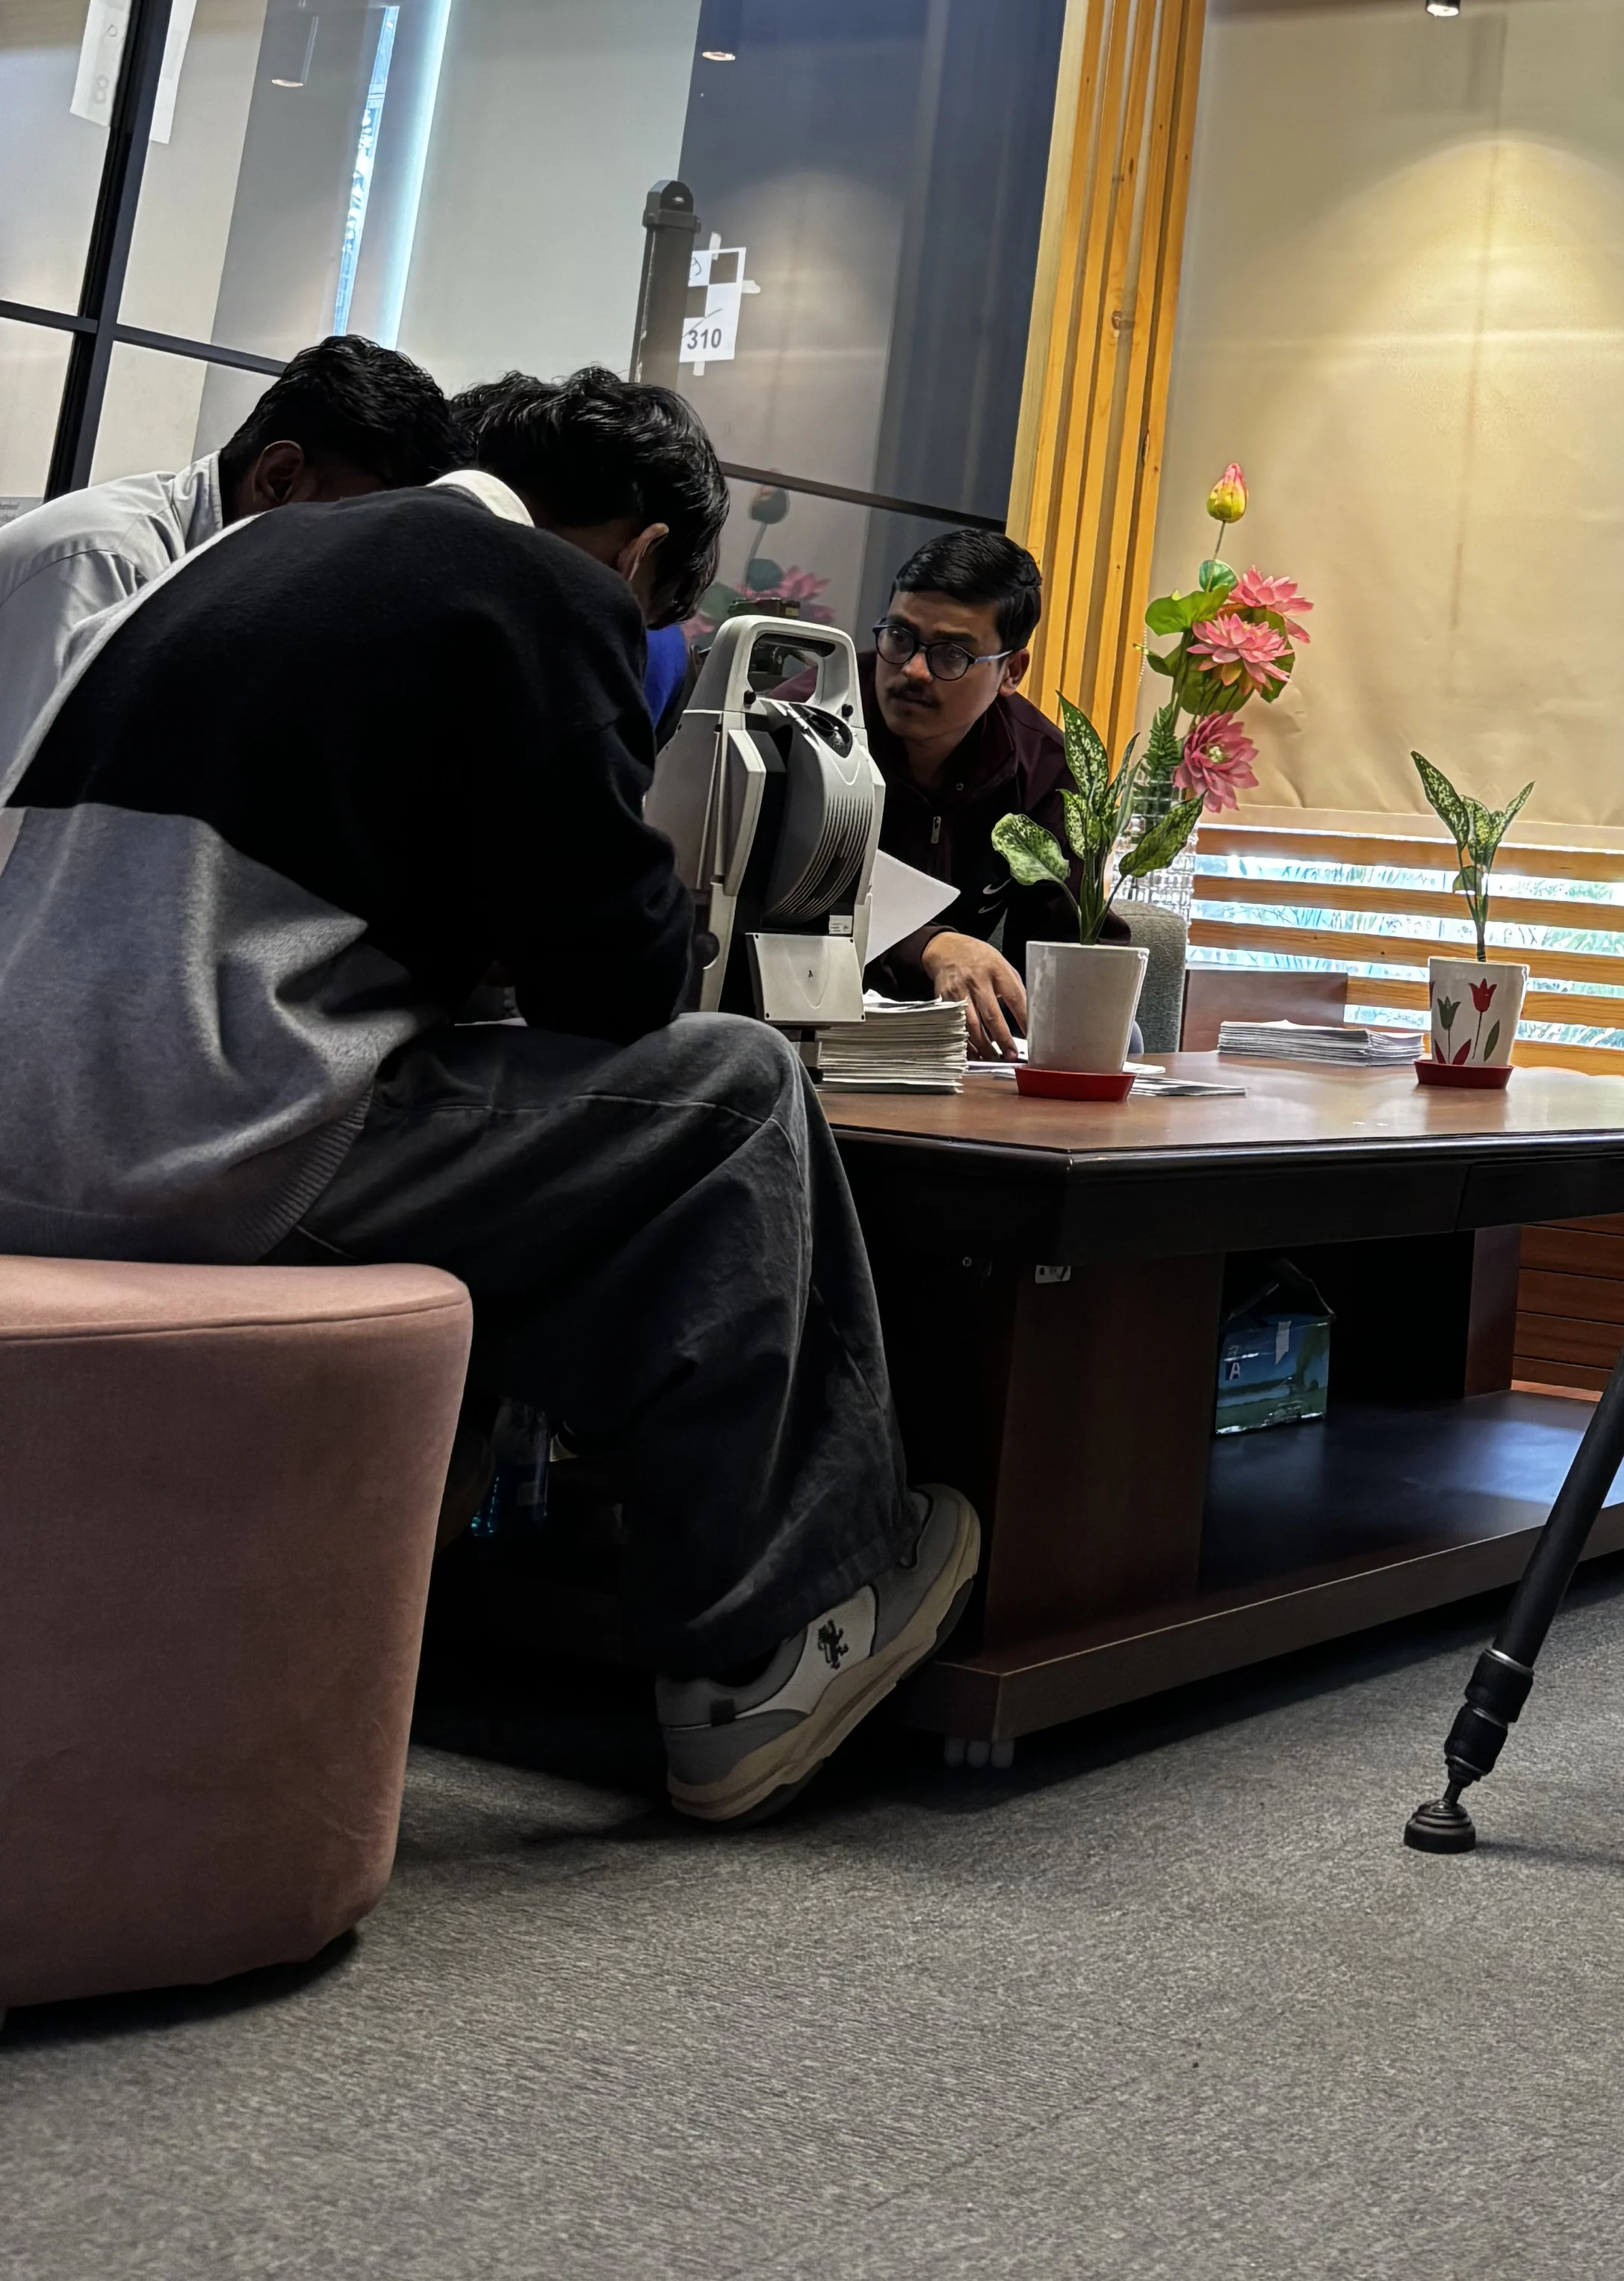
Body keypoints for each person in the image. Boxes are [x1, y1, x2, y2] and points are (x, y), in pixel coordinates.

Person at [0, 362, 977, 1823]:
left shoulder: (237, 557)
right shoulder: (535, 591)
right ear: (643, 556)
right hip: (208, 1152)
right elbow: (622, 984)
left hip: (32, 1144)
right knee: (735, 1098)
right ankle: (766, 1644)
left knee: (548, 1120)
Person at [0, 331, 452, 790]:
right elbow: (34, 816)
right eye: (364, 525)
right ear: (279, 479)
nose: (368, 563)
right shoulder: (108, 563)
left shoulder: (235, 578)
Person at [863, 525, 1070, 1062]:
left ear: (1012, 671)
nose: (911, 670)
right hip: (814, 1021)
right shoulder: (810, 721)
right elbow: (775, 901)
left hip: (955, 1049)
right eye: (899, 637)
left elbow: (1063, 940)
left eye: (951, 655)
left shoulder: (1040, 764)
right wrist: (930, 944)